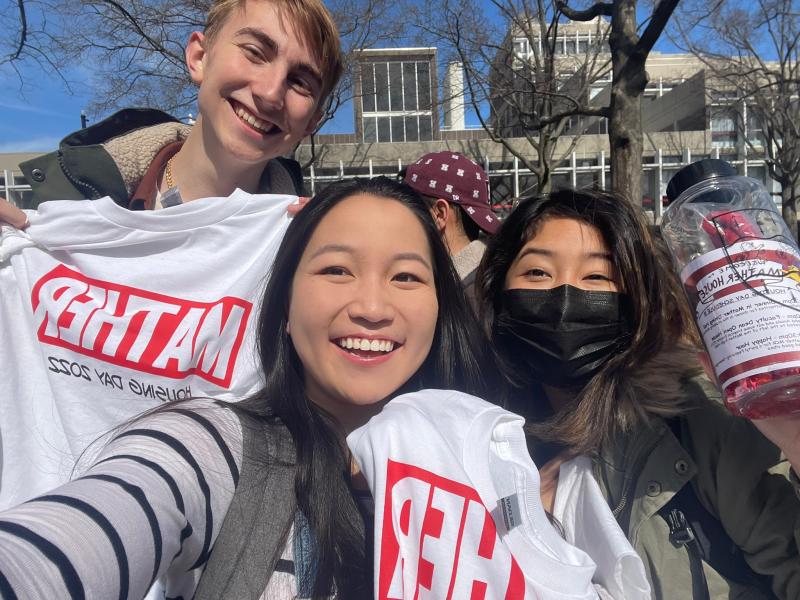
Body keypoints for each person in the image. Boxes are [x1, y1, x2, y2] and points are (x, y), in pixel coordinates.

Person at [0, 177, 494, 598]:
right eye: (336, 270)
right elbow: (86, 531)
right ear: (283, 306)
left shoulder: (486, 472)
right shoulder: (213, 448)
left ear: (440, 309)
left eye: (405, 276)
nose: (371, 306)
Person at [476, 188, 800, 599]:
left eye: (597, 276)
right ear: (497, 293)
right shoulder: (476, 440)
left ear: (639, 303)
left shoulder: (699, 422)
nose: (564, 297)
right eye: (538, 273)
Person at [4, 0, 342, 215]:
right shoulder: (66, 203)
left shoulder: (307, 251)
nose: (270, 93)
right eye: (255, 52)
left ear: (312, 121)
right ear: (199, 58)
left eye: (300, 82)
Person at [401, 152, 499, 301]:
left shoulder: (471, 299)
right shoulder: (492, 277)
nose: (399, 219)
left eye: (407, 208)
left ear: (439, 214)